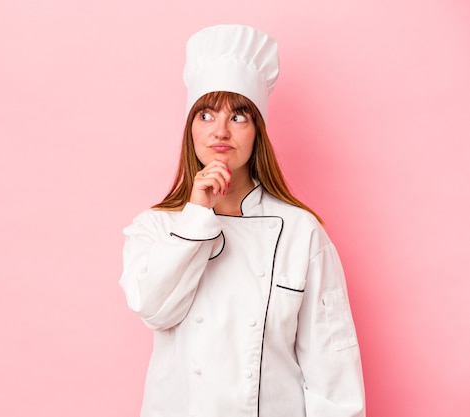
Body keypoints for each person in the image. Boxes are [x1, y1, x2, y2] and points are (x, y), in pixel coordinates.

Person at [119, 24, 365, 417]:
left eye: (238, 116)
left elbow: (332, 373)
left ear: (257, 132)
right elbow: (155, 309)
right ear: (191, 129)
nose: (220, 130)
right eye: (205, 114)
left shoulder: (302, 234)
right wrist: (197, 215)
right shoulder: (155, 227)